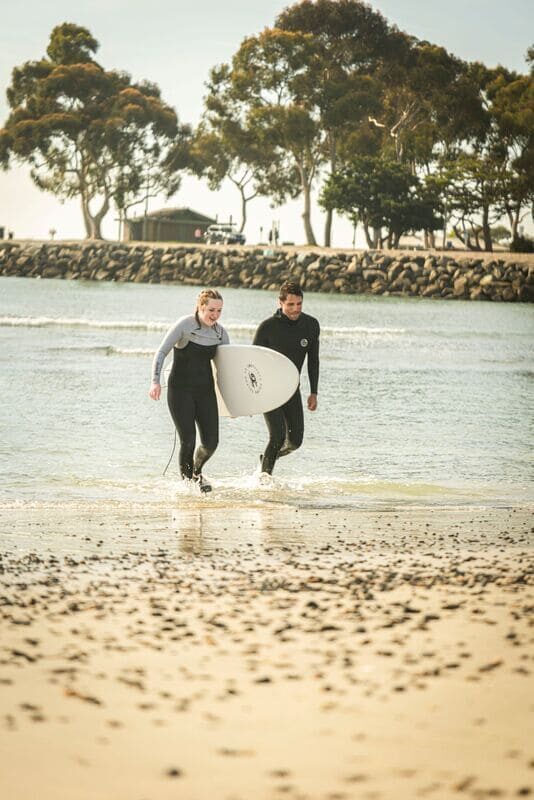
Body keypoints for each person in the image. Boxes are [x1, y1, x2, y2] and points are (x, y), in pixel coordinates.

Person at [149, 289, 229, 492]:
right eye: (211, 309)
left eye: (219, 310)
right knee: (188, 440)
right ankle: (189, 487)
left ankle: (196, 471)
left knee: (211, 442)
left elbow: (228, 369)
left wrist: (235, 402)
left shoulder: (220, 333)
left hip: (205, 393)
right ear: (201, 307)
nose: (215, 315)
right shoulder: (185, 325)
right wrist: (155, 381)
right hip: (180, 391)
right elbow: (161, 352)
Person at [253, 280, 319, 475]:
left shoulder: (311, 325)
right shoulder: (267, 327)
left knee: (295, 441)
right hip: (268, 389)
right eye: (290, 304)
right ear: (280, 303)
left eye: (299, 304)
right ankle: (265, 480)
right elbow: (251, 363)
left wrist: (313, 392)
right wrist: (250, 395)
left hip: (291, 388)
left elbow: (313, 360)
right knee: (277, 436)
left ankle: (267, 458)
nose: (295, 309)